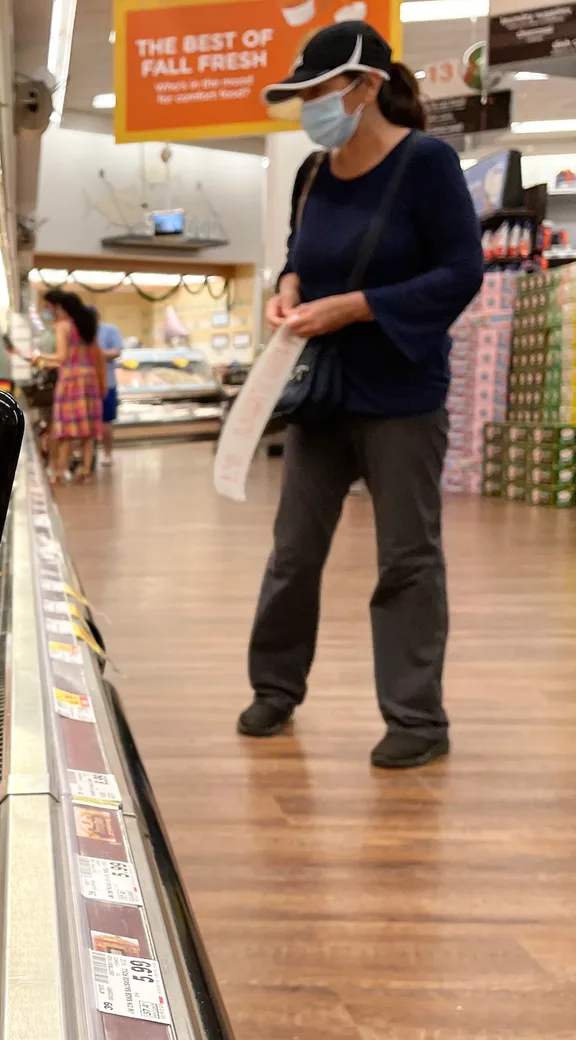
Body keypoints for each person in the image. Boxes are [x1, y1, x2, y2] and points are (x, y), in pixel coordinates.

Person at [239, 21, 483, 768]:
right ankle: (275, 688)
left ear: (366, 85)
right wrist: (288, 291)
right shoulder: (313, 173)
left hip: (403, 394)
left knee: (408, 556)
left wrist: (355, 306)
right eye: (304, 94)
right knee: (292, 551)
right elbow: (296, 257)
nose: (311, 105)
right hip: (322, 396)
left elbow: (460, 272)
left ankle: (417, 717)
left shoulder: (427, 164)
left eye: (319, 90)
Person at [41, 289, 105, 484]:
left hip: (70, 380)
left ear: (62, 308)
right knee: (88, 431)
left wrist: (38, 356)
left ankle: (60, 471)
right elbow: (97, 355)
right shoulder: (88, 326)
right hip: (89, 379)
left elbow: (61, 357)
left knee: (66, 429)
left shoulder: (63, 327)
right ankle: (85, 471)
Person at [96, 317, 124, 467]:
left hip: (107, 384)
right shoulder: (79, 332)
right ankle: (88, 457)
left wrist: (96, 354)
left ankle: (107, 453)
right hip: (85, 387)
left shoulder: (109, 330)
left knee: (106, 421)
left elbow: (117, 352)